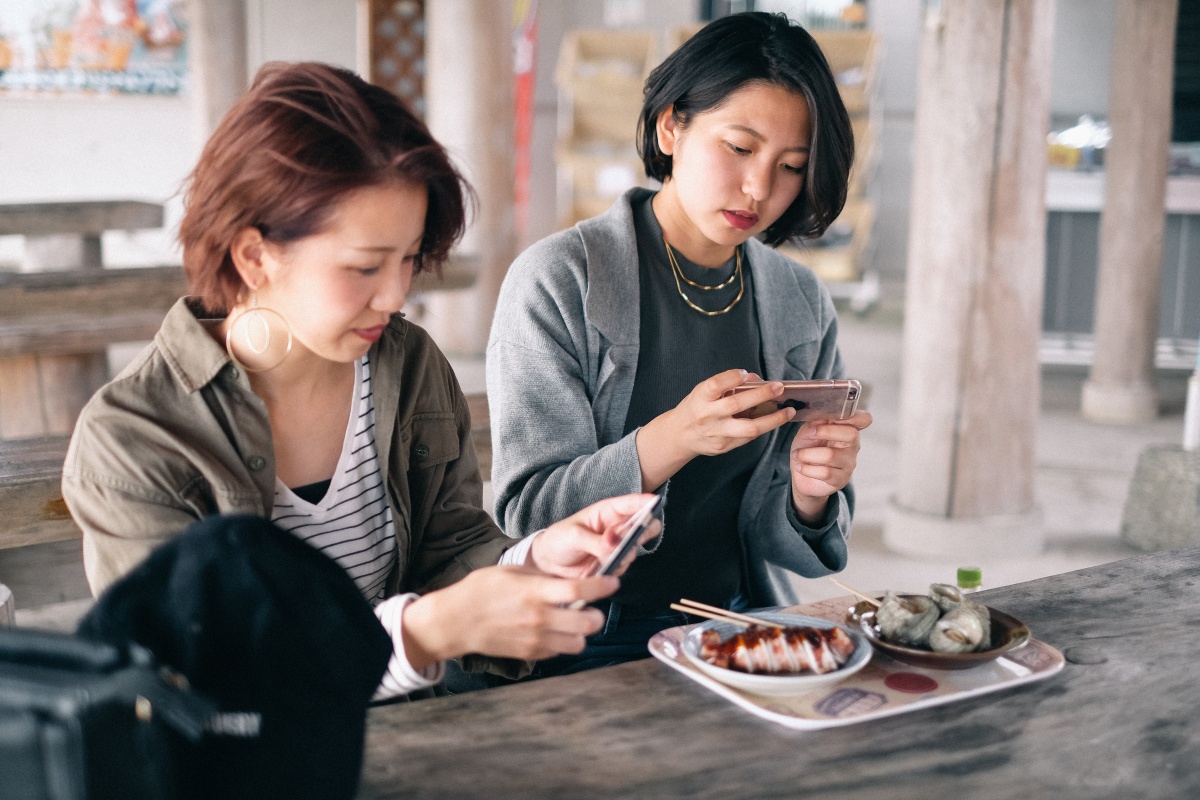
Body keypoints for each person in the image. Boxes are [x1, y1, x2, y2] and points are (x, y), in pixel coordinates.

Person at [61, 61, 656, 699]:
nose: (396, 295)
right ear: (254, 255)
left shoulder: (407, 364)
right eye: (365, 267)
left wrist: (529, 560)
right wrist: (424, 633)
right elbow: (192, 676)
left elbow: (448, 550)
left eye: (408, 260)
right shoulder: (132, 440)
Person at [486, 12, 872, 677]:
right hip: (587, 636)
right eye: (740, 147)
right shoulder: (561, 279)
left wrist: (812, 495)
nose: (760, 189)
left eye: (790, 167)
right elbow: (526, 509)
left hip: (740, 620)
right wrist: (673, 439)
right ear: (671, 126)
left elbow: (795, 552)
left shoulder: (799, 300)